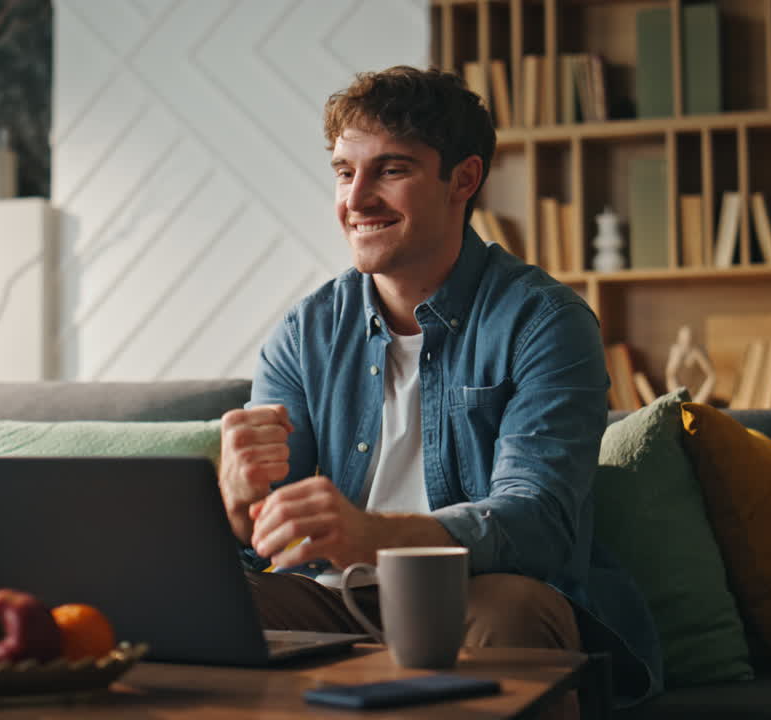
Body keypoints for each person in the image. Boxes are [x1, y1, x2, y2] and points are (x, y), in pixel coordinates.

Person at [217, 66, 661, 708]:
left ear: (464, 179)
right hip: (333, 599)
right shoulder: (306, 329)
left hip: (478, 593)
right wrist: (238, 506)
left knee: (511, 613)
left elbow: (536, 524)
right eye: (345, 172)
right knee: (200, 612)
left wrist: (367, 534)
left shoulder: (546, 322)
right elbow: (280, 538)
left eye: (390, 170)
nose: (357, 199)